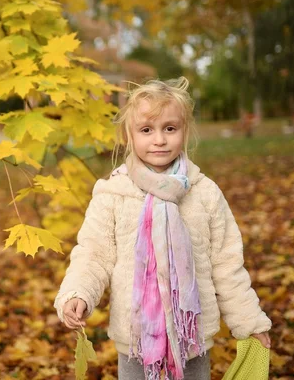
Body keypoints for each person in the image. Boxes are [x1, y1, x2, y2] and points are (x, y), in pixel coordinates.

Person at [54, 77, 272, 380]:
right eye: (147, 130)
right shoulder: (113, 193)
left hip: (193, 341)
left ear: (184, 131)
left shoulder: (204, 193)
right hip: (136, 340)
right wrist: (78, 294)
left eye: (169, 128)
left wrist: (250, 322)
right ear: (129, 135)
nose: (159, 139)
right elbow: (94, 254)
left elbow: (227, 264)